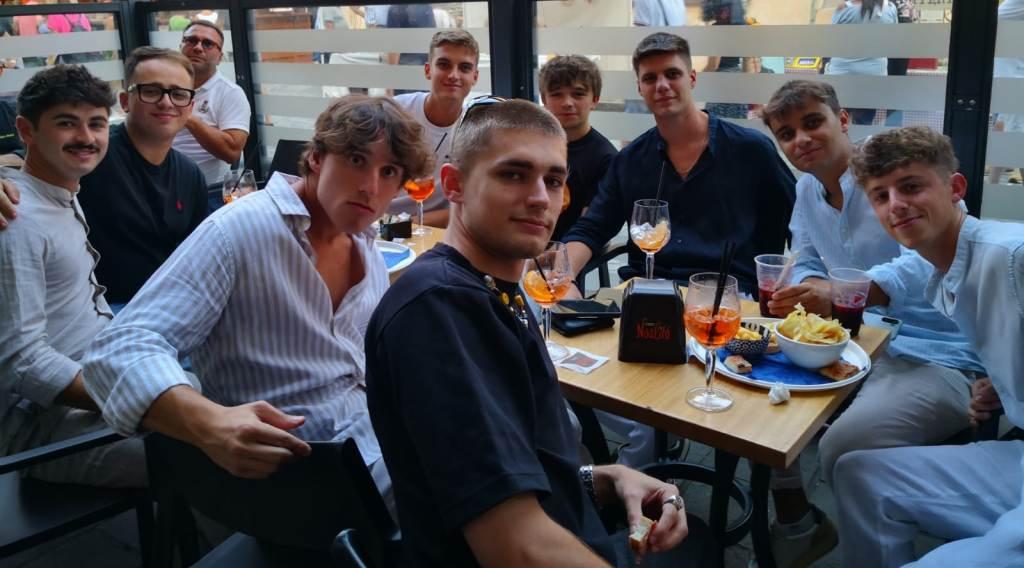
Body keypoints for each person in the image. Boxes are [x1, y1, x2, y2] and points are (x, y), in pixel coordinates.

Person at [366, 96, 705, 567]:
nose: (541, 197)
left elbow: (512, 470)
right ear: (454, 184)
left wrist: (608, 478)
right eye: (513, 174)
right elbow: (515, 547)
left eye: (554, 180)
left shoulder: (497, 292)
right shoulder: (440, 310)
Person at [82, 95, 432, 514]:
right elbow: (119, 350)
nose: (370, 187)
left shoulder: (367, 245)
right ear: (316, 158)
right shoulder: (240, 231)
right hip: (291, 475)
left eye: (389, 172)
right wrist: (209, 423)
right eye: (356, 160)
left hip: (371, 445)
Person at [760, 81, 986, 567]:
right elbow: (804, 255)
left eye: (812, 122)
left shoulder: (889, 171)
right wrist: (810, 289)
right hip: (854, 341)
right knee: (758, 403)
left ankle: (898, 526)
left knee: (841, 447)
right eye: (787, 133)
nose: (801, 139)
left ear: (843, 120)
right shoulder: (806, 188)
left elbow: (945, 243)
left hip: (934, 351)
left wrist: (847, 292)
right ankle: (798, 523)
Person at [563, 32, 795, 468]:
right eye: (650, 78)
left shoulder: (750, 151)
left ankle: (642, 476)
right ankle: (635, 474)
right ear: (639, 87)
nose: (662, 85)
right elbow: (592, 228)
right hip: (645, 297)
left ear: (691, 78)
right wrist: (564, 275)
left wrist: (776, 293)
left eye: (672, 74)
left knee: (694, 396)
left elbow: (789, 228)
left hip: (724, 303)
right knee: (566, 370)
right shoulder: (631, 160)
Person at [833, 126, 1024, 567]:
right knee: (858, 474)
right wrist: (1006, 385)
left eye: (911, 186)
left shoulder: (1011, 256)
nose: (896, 204)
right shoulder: (949, 270)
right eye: (881, 196)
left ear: (955, 188)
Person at [0, 65, 144, 488]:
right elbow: (22, 361)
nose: (86, 137)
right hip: (40, 427)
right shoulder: (16, 222)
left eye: (96, 124)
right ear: (26, 130)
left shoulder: (62, 189)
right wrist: (136, 398)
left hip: (94, 375)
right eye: (66, 123)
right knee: (207, 454)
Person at [78, 47, 207, 308]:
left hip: (170, 305)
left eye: (178, 94)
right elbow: (31, 163)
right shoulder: (91, 153)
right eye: (151, 91)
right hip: (103, 309)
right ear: (125, 101)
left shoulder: (190, 174)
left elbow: (199, 254)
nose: (166, 102)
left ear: (190, 107)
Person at [387, 30, 479, 228]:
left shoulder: (476, 130)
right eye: (444, 65)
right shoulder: (396, 112)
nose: (453, 75)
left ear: (475, 76)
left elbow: (472, 207)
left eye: (464, 68)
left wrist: (410, 224)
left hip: (429, 230)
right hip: (380, 222)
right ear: (428, 70)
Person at [538, 55, 618, 241]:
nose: (567, 103)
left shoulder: (605, 158)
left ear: (595, 99)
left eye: (578, 94)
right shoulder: (531, 146)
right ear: (544, 100)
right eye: (556, 94)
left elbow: (590, 226)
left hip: (567, 249)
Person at [172, 20, 251, 186]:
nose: (198, 48)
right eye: (191, 40)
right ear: (180, 47)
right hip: (153, 181)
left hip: (204, 189)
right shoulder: (163, 84)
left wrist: (188, 118)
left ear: (220, 57)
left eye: (207, 44)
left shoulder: (230, 93)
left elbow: (232, 153)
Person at [824, 0, 897, 125]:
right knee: (864, 123)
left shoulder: (844, 9)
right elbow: (893, 38)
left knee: (838, 123)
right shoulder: (889, 8)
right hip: (874, 76)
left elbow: (832, 39)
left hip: (842, 76)